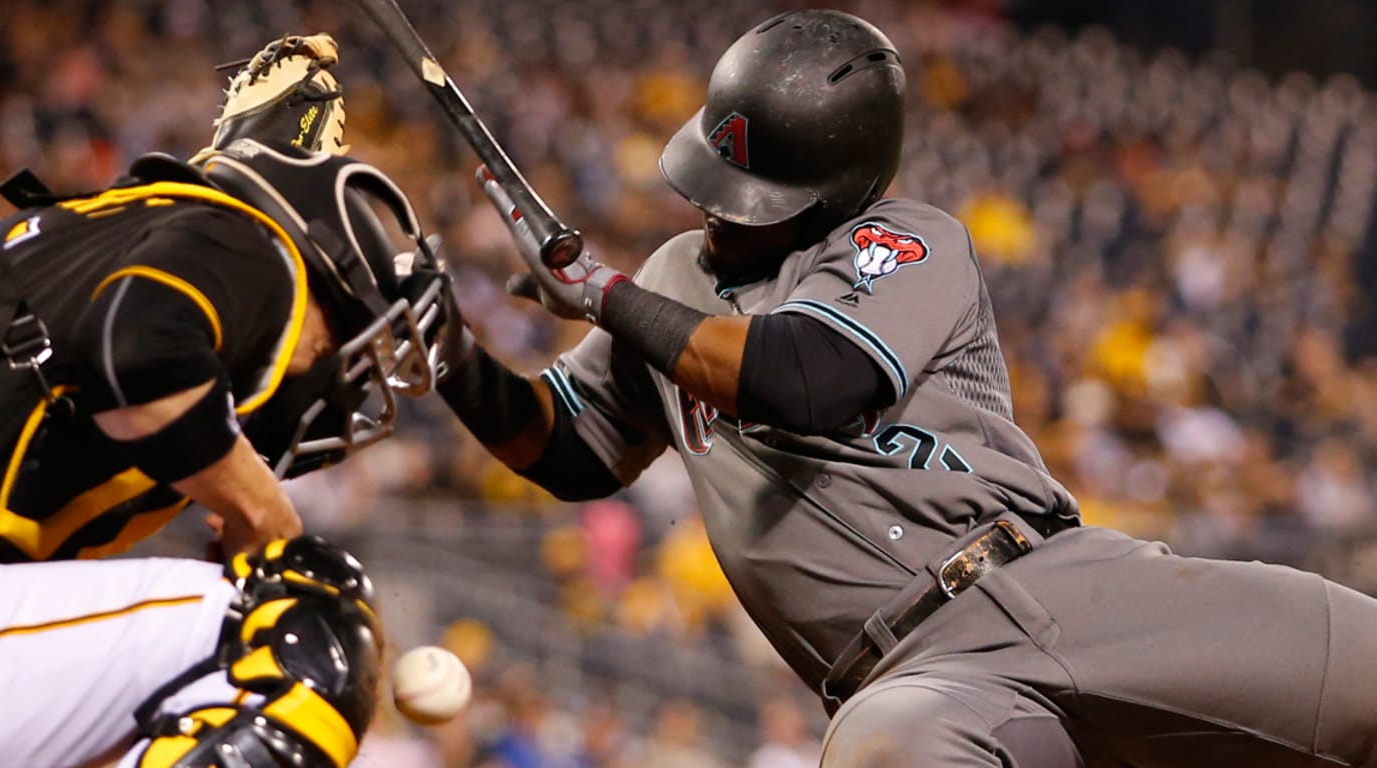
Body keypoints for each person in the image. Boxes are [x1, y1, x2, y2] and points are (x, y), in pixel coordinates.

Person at [422, 10, 1377, 767]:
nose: (716, 209)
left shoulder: (905, 241)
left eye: (750, 196)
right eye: (714, 181)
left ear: (839, 192)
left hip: (1064, 586)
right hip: (918, 682)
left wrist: (604, 296)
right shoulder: (667, 287)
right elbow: (565, 450)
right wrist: (448, 347)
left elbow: (810, 379)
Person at [0, 35, 445, 767]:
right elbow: (135, 349)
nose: (330, 375)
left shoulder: (49, 254)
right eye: (335, 344)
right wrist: (267, 519)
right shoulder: (249, 249)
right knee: (293, 624)